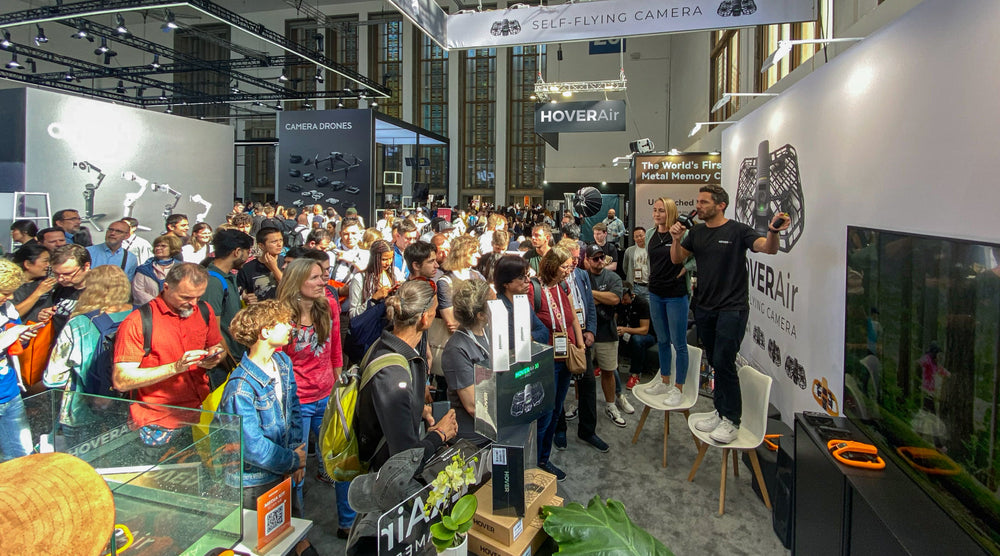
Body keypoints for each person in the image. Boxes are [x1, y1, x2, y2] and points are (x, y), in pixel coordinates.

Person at [670, 184, 789, 444]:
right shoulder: (697, 232)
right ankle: (720, 411)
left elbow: (767, 248)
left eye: (703, 202)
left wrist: (773, 231)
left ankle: (732, 420)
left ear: (720, 205)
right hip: (704, 307)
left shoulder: (738, 230)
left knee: (724, 362)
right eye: (698, 202)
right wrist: (676, 239)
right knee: (715, 361)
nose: (698, 206)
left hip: (732, 309)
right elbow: (677, 259)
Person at [217, 300, 320, 556]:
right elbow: (253, 448)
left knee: (289, 537)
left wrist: (297, 455)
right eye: (283, 322)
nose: (291, 326)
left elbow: (293, 408)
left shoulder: (282, 362)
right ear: (265, 331)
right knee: (262, 547)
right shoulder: (240, 388)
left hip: (281, 472)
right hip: (254, 484)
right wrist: (293, 460)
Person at [113, 263, 225, 457]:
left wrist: (215, 356)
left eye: (198, 297)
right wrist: (175, 368)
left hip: (201, 413)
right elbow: (121, 380)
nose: (193, 303)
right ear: (166, 287)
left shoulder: (203, 310)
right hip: (159, 422)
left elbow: (218, 346)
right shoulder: (137, 322)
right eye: (186, 297)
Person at [276, 258, 353, 536]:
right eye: (315, 278)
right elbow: (278, 362)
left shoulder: (328, 305)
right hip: (296, 402)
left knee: (342, 460)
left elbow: (335, 349)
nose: (323, 282)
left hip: (327, 396)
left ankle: (348, 522)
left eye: (323, 276)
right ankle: (295, 533)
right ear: (297, 281)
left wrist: (338, 386)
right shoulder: (281, 316)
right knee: (296, 467)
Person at [356, 279, 458, 472]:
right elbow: (405, 457)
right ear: (424, 319)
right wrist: (440, 434)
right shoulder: (393, 374)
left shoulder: (385, 344)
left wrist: (416, 408)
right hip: (384, 478)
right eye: (435, 310)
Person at [44, 266, 133, 441]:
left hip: (82, 412)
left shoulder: (80, 323)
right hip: (128, 408)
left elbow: (53, 378)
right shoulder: (138, 315)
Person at [530, 247, 584, 481]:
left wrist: (580, 345)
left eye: (569, 266)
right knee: (544, 413)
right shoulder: (533, 290)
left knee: (555, 410)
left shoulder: (564, 287)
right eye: (564, 266)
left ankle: (544, 458)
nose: (568, 271)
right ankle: (534, 463)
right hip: (547, 361)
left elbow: (572, 319)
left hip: (565, 358)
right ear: (552, 265)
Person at [551, 239, 606, 453]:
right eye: (571, 259)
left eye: (577, 258)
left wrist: (590, 330)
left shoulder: (582, 275)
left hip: (582, 337)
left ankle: (588, 430)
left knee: (588, 383)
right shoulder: (553, 279)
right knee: (560, 387)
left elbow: (589, 305)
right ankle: (559, 429)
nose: (575, 262)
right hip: (562, 338)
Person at [646, 198, 691, 406]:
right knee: (662, 339)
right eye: (655, 210)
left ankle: (678, 387)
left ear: (670, 212)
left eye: (661, 211)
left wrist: (687, 268)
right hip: (655, 292)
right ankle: (664, 380)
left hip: (675, 294)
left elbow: (696, 257)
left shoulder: (684, 234)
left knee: (678, 343)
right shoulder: (650, 234)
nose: (657, 214)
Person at [0, 258, 42, 461]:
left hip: (10, 393)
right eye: (5, 292)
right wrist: (8, 337)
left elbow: (15, 347)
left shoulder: (7, 310)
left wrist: (22, 338)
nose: (10, 297)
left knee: (22, 455)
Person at [583, 243, 630, 426]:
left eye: (602, 257)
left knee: (608, 371)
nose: (600, 261)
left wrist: (590, 294)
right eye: (595, 258)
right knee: (581, 372)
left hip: (607, 331)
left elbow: (615, 299)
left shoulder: (613, 277)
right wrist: (601, 297)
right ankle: (578, 403)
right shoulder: (581, 276)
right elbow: (579, 300)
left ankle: (611, 405)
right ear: (587, 260)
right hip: (585, 332)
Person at [201, 229, 254, 387]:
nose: (248, 257)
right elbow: (213, 330)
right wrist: (232, 364)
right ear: (237, 252)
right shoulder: (213, 282)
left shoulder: (228, 277)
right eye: (247, 252)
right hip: (222, 367)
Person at [495, 255, 548, 345]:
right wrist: (528, 338)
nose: (528, 280)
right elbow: (509, 342)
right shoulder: (498, 308)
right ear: (505, 283)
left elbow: (544, 331)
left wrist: (528, 337)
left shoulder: (523, 302)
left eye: (528, 275)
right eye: (521, 277)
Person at [41, 244, 92, 338]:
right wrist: (45, 315)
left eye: (67, 274)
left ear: (86, 266)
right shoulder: (59, 287)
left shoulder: (100, 289)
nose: (60, 279)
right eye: (56, 274)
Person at [437, 236, 484, 333]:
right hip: (454, 339)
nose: (478, 256)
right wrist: (477, 320)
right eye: (473, 252)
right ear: (461, 254)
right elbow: (452, 322)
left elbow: (489, 307)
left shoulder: (477, 276)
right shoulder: (445, 282)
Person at [617, 282, 656, 390]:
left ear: (631, 295)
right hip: (627, 331)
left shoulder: (642, 304)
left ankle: (635, 374)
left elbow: (644, 330)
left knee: (637, 340)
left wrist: (625, 329)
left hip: (646, 335)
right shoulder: (620, 304)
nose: (623, 302)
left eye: (625, 299)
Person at [132, 234, 183, 306]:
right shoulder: (144, 269)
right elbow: (138, 291)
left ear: (172, 248)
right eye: (157, 246)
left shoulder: (181, 268)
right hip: (148, 308)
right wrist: (158, 303)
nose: (158, 248)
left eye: (163, 246)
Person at [237, 227, 284, 303]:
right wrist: (245, 297)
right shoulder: (247, 268)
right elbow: (238, 291)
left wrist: (274, 268)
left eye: (281, 240)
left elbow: (290, 288)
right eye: (274, 242)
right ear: (261, 246)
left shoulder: (287, 263)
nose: (279, 244)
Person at [10, 244, 56, 322]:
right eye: (45, 261)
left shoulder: (47, 281)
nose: (48, 265)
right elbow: (13, 315)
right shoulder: (10, 286)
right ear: (27, 264)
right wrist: (38, 293)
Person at [623, 227, 650, 300]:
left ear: (646, 236)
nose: (639, 238)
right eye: (636, 237)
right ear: (634, 238)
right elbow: (625, 267)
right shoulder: (629, 251)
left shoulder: (651, 249)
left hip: (648, 286)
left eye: (641, 236)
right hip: (635, 286)